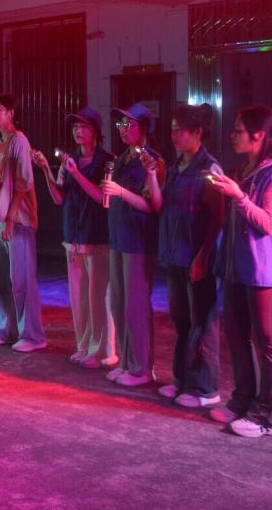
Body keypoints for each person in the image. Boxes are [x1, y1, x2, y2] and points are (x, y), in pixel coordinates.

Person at [207, 105, 272, 438]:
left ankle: (271, 418)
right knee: (237, 334)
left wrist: (239, 196)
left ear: (258, 135)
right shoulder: (249, 170)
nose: (232, 136)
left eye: (238, 130)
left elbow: (270, 223)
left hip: (268, 273)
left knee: (270, 343)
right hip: (240, 268)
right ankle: (243, 400)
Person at [149, 105, 225, 409]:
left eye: (180, 130)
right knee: (181, 321)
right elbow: (162, 207)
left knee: (202, 322)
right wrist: (152, 176)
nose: (174, 135)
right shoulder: (177, 167)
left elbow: (217, 218)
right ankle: (182, 379)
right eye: (172, 129)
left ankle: (205, 388)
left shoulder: (210, 168)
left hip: (197, 259)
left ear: (198, 132)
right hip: (175, 256)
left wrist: (203, 257)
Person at [33, 107, 117, 369]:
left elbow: (102, 199)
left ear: (96, 132)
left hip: (97, 237)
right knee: (79, 298)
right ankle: (84, 346)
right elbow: (59, 198)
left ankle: (102, 351)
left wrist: (77, 173)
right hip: (73, 237)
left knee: (98, 298)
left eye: (84, 127)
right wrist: (46, 170)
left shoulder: (107, 161)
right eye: (75, 127)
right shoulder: (69, 161)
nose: (78, 132)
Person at [100, 103, 165, 386]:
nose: (123, 130)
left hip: (138, 241)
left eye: (129, 125)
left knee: (136, 306)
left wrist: (120, 192)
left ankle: (141, 368)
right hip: (118, 237)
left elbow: (151, 205)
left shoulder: (151, 161)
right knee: (119, 303)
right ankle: (127, 362)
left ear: (144, 128)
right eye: (120, 125)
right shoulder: (123, 158)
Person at [0, 95, 46, 352]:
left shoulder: (19, 140)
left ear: (11, 113)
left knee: (22, 280)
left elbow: (23, 181)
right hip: (1, 217)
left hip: (18, 219)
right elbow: (5, 180)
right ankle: (5, 328)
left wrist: (10, 218)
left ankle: (32, 335)